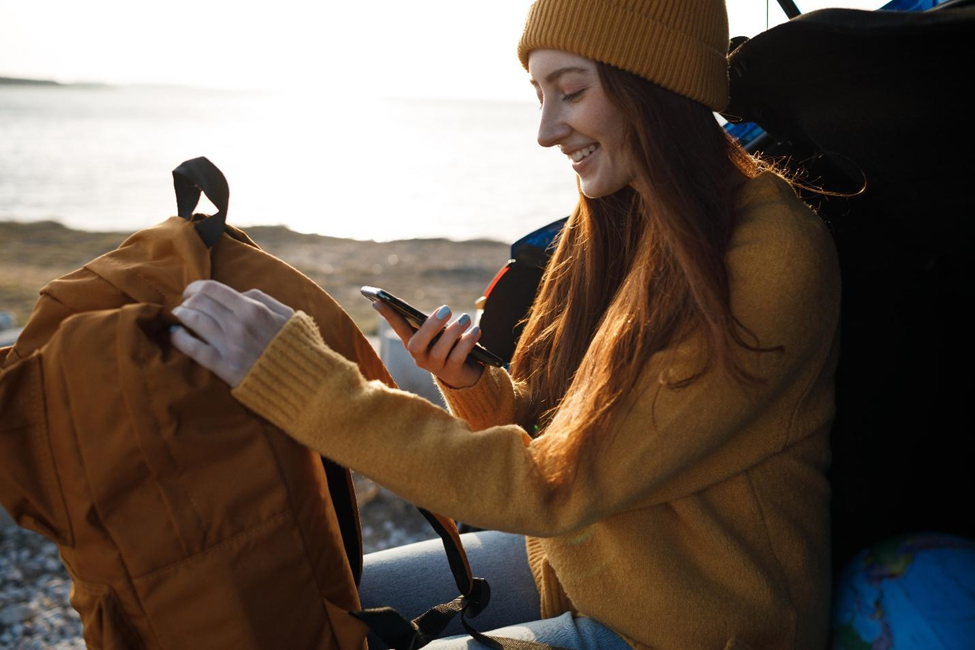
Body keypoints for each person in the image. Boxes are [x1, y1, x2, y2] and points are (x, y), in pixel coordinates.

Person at [170, 0, 841, 648]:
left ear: (655, 86)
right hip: (584, 563)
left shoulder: (768, 257)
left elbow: (556, 486)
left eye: (570, 92)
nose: (546, 131)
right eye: (538, 95)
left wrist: (306, 387)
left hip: (695, 626)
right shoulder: (618, 220)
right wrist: (473, 388)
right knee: (311, 597)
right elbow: (554, 437)